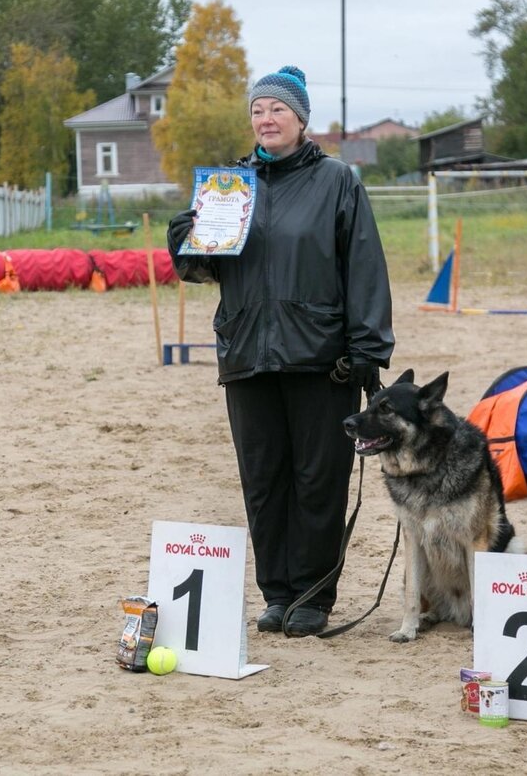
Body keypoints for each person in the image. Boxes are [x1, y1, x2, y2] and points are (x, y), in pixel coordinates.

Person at [166, 65, 394, 638]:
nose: (266, 119)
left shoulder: (338, 181)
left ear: (301, 119)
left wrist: (368, 346)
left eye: (278, 110)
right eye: (258, 110)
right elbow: (204, 269)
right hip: (247, 352)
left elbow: (363, 264)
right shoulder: (230, 187)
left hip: (321, 356)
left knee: (319, 479)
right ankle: (277, 593)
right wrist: (186, 241)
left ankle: (313, 597)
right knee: (263, 480)